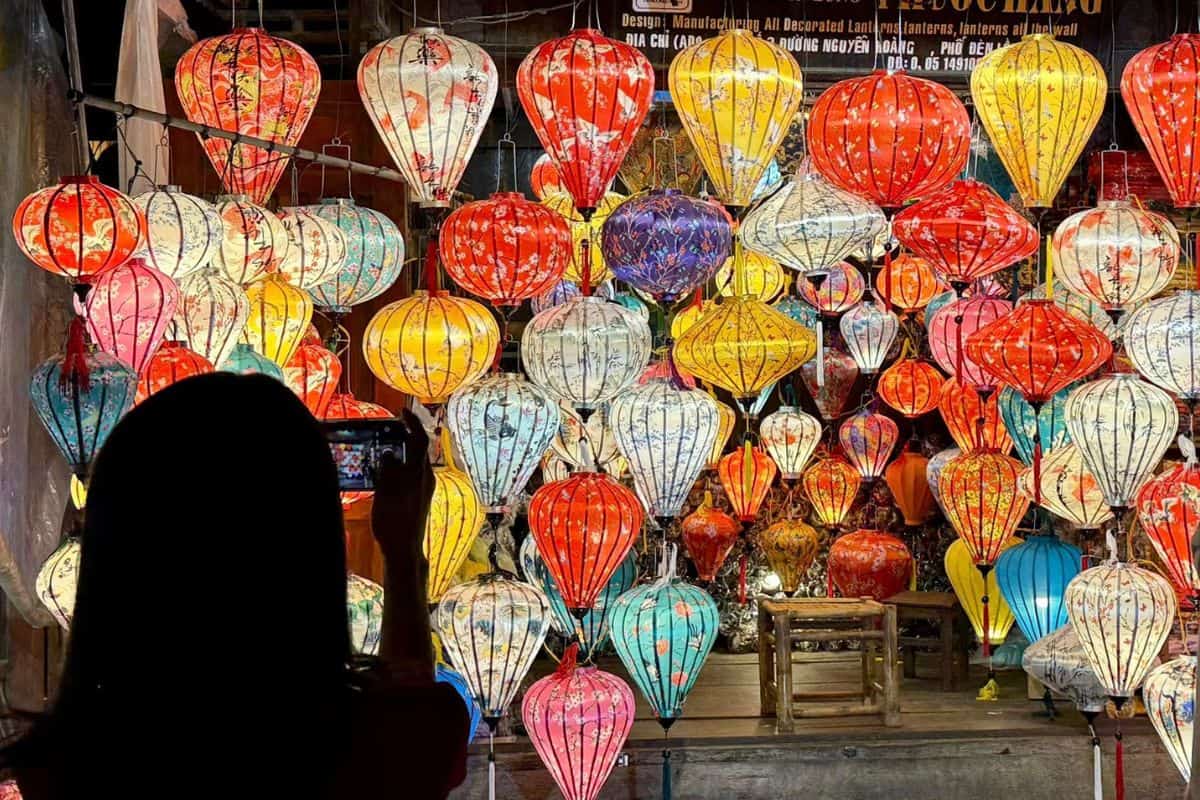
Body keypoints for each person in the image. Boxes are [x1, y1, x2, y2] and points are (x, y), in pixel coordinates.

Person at [3, 373, 469, 798]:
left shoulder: (61, 765)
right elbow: (411, 706)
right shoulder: (377, 751)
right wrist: (403, 555)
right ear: (305, 551)